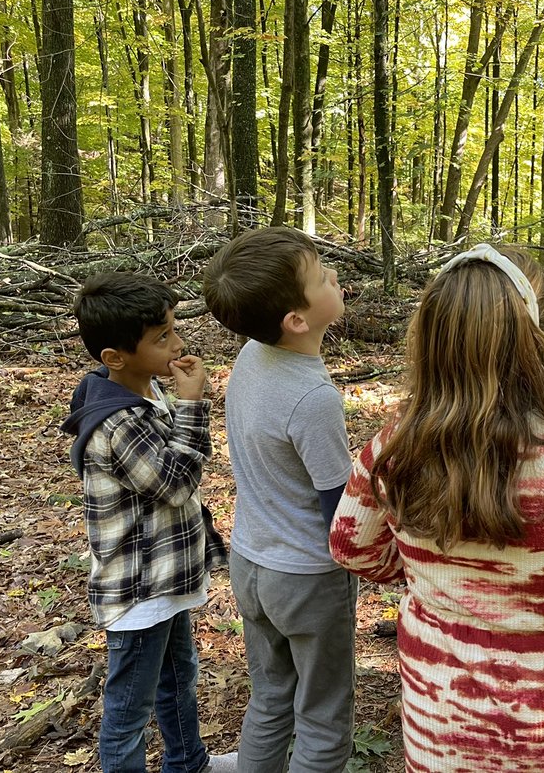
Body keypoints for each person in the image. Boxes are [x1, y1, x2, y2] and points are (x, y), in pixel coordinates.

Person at [329, 244, 544, 772]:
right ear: (541, 340)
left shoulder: (394, 451)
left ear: (429, 340)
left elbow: (351, 549)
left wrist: (433, 577)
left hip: (441, 723)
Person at [202, 226, 356, 773]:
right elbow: (339, 507)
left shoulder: (251, 354)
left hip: (250, 560)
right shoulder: (314, 398)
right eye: (320, 276)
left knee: (270, 693)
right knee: (323, 712)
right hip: (307, 576)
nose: (333, 275)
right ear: (296, 319)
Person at [62, 273, 230, 773]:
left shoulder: (146, 390)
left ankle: (188, 763)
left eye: (174, 329)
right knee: (128, 712)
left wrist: (180, 404)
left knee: (179, 679)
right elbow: (178, 483)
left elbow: (181, 468)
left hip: (164, 581)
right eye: (162, 338)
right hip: (139, 592)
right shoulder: (120, 423)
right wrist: (194, 404)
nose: (178, 343)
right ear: (115, 357)